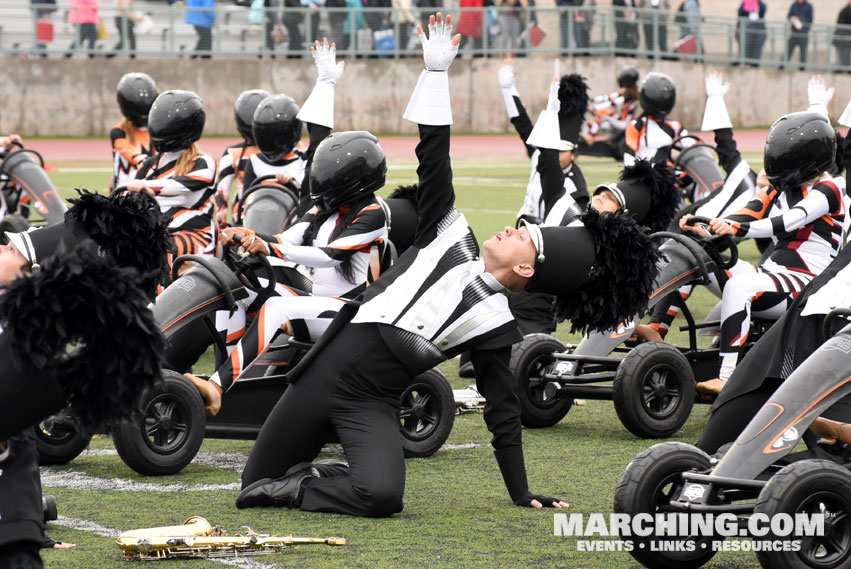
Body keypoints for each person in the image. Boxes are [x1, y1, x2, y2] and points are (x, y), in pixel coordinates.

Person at [232, 13, 661, 518]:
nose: (511, 228)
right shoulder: (449, 233)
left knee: (383, 496)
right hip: (323, 373)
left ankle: (304, 482)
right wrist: (435, 73)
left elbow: (503, 413)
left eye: (523, 236)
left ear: (526, 272)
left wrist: (521, 493)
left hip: (371, 401)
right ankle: (303, 473)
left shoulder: (495, 325)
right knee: (250, 486)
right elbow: (434, 153)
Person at [186, 39, 387, 416]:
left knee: (277, 307)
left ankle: (216, 387)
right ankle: (228, 378)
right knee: (236, 289)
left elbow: (328, 256)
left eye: (330, 178)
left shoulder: (373, 215)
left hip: (353, 316)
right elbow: (285, 238)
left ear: (352, 181)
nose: (320, 184)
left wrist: (270, 248)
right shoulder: (329, 208)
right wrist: (247, 237)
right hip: (321, 304)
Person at [682, 107, 845, 396]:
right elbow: (744, 216)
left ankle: (727, 376)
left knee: (739, 286)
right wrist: (705, 231)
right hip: (774, 276)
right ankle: (656, 326)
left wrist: (736, 229)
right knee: (696, 258)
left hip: (807, 286)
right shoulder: (775, 190)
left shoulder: (828, 189)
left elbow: (790, 220)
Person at [127, 90, 217, 266]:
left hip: (194, 236)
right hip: (154, 235)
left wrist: (146, 186)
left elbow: (178, 186)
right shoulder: (149, 165)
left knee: (160, 251)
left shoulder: (203, 163)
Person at [215, 89, 270, 228]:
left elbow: (222, 191)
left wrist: (222, 208)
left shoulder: (286, 152)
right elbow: (221, 191)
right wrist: (221, 211)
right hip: (244, 220)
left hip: (277, 215)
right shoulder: (234, 153)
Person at [624, 71, 689, 166]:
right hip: (646, 177)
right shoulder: (637, 125)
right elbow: (629, 157)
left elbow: (692, 146)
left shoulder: (675, 126)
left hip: (670, 176)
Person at [109, 73, 158, 194]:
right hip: (124, 195)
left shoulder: (158, 130)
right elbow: (126, 150)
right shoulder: (119, 132)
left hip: (151, 192)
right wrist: (144, 160)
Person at [580, 65, 639, 160]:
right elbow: (610, 97)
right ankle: (586, 135)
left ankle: (591, 137)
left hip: (624, 124)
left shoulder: (631, 94)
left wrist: (595, 107)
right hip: (620, 120)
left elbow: (614, 102)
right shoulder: (628, 91)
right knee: (600, 116)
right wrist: (592, 100)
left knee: (602, 114)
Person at [737, 0, 766, 67]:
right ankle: (745, 63)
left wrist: (756, 3)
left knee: (756, 49)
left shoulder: (761, 4)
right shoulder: (745, 3)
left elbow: (763, 10)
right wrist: (746, 6)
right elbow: (740, 12)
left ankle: (754, 64)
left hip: (758, 30)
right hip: (747, 29)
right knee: (745, 47)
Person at [786, 0, 813, 68]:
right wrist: (793, 18)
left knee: (803, 51)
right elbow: (789, 15)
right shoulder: (794, 5)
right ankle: (783, 64)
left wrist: (800, 19)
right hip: (794, 32)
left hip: (803, 32)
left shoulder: (808, 6)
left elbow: (810, 19)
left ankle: (802, 67)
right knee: (788, 49)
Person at [836, 1, 851, 68]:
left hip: (846, 37)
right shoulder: (845, 11)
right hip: (843, 37)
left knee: (845, 54)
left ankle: (845, 67)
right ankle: (843, 67)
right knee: (843, 54)